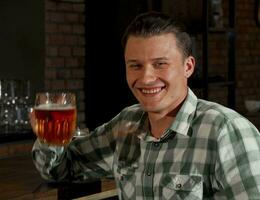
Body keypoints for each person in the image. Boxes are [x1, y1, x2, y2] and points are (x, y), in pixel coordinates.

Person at [31, 12, 260, 199]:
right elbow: (61, 169)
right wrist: (49, 139)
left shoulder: (227, 132)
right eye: (136, 66)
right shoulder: (126, 125)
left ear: (188, 67)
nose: (146, 78)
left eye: (160, 64)